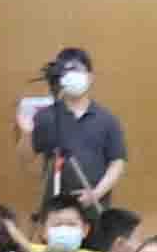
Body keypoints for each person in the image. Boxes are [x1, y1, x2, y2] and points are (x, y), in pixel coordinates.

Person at [23, 47, 126, 212]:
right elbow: (26, 158)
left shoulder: (107, 119)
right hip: (55, 208)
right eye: (67, 71)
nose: (72, 75)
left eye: (77, 69)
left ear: (90, 77)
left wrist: (96, 193)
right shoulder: (46, 117)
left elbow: (117, 162)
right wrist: (26, 132)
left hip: (94, 208)